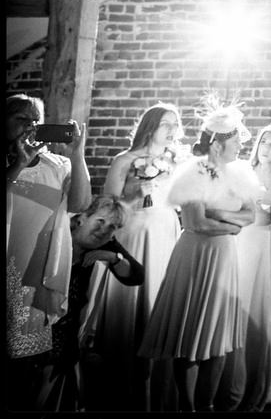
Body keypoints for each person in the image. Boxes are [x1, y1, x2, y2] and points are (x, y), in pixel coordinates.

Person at [138, 103, 259, 412]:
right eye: (236, 142)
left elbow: (251, 215)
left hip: (223, 256)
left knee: (218, 339)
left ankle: (206, 407)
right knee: (187, 335)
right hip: (195, 255)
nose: (241, 146)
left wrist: (218, 214)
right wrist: (229, 221)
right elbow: (196, 222)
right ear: (217, 144)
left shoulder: (239, 172)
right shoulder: (194, 171)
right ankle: (188, 406)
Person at [85, 102, 184, 411]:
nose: (172, 131)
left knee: (159, 303)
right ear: (150, 126)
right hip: (135, 233)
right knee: (133, 303)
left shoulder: (175, 161)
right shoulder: (125, 160)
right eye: (167, 124)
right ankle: (122, 387)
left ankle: (158, 391)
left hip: (166, 231)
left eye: (175, 125)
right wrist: (135, 191)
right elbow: (108, 205)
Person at [7, 93, 90, 410]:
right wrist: (18, 163)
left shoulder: (59, 165)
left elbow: (81, 204)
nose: (30, 126)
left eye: (35, 120)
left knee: (27, 362)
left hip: (36, 271)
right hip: (7, 263)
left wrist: (77, 153)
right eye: (21, 119)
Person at [34, 195, 143, 412]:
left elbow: (135, 276)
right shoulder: (58, 232)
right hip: (36, 316)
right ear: (82, 218)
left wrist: (113, 258)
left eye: (113, 226)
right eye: (100, 221)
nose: (104, 230)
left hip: (67, 328)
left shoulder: (107, 243)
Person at [220, 123, 271, 410]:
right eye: (265, 142)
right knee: (234, 308)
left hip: (265, 244)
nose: (267, 148)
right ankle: (226, 380)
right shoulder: (242, 171)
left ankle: (256, 383)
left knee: (259, 311)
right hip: (238, 241)